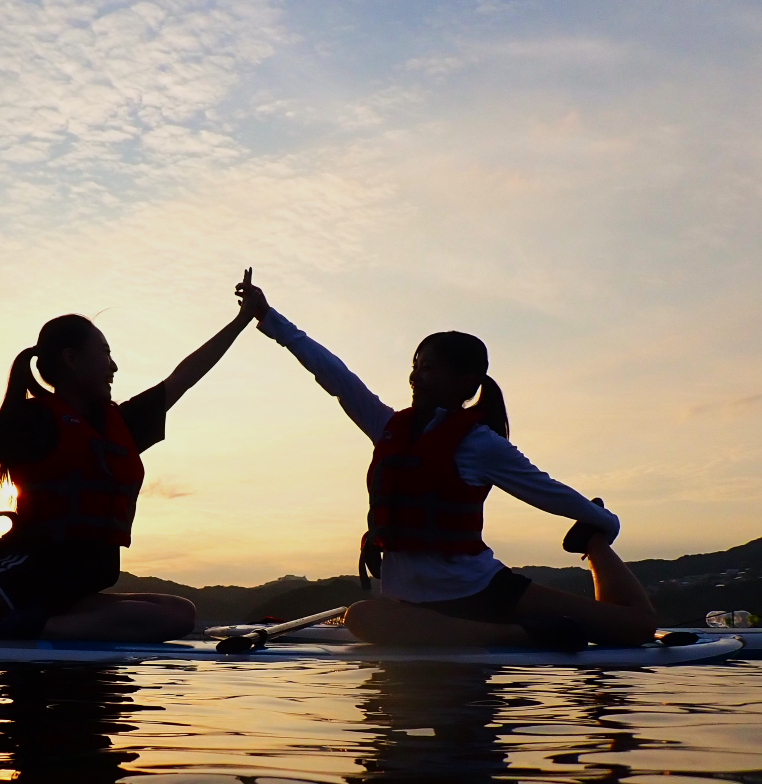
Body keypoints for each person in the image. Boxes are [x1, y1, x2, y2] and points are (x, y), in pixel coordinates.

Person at [235, 277, 656, 649]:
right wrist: (269, 319)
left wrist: (604, 524)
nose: (415, 377)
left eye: (429, 368)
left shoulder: (478, 443)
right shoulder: (386, 426)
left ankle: (586, 555)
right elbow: (337, 378)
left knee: (634, 629)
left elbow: (544, 490)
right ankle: (520, 635)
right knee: (364, 617)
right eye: (415, 367)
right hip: (416, 602)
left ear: (463, 383)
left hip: (483, 590)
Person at [0, 270, 268, 641]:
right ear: (72, 359)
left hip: (65, 593)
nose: (114, 366)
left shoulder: (120, 425)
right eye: (105, 354)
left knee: (179, 613)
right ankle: (28, 622)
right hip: (22, 577)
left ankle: (38, 626)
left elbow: (184, 377)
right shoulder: (34, 421)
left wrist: (241, 320)